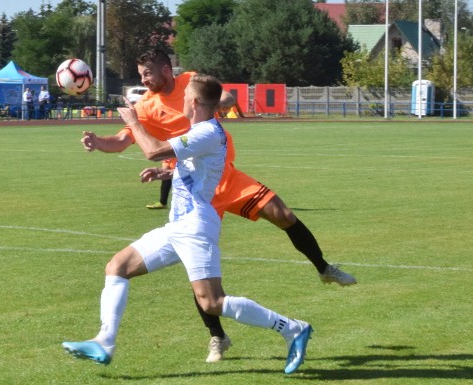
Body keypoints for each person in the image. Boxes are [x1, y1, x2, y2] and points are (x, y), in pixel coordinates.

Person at [81, 49, 355, 363]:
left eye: (148, 73)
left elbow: (156, 149)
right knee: (117, 267)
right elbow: (166, 153)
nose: (144, 80)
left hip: (203, 213)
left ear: (189, 95)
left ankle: (295, 322)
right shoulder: (170, 115)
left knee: (214, 297)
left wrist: (137, 125)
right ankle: (106, 342)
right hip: (182, 217)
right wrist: (164, 168)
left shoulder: (205, 124)